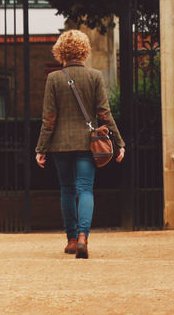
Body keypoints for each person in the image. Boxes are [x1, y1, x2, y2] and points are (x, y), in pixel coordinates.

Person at [34, 30, 125, 258]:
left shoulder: (53, 78)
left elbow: (49, 119)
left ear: (60, 51)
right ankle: (84, 236)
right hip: (87, 142)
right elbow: (104, 113)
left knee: (67, 190)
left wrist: (41, 149)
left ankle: (72, 239)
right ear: (84, 51)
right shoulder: (95, 76)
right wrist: (119, 142)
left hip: (60, 145)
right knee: (85, 189)